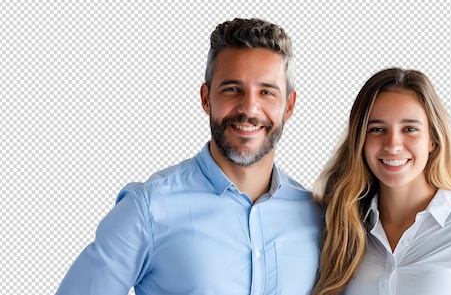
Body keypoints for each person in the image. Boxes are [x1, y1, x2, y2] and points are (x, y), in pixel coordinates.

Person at [56, 18, 324, 295]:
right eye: (232, 89)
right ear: (206, 98)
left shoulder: (318, 217)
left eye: (266, 92)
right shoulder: (149, 209)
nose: (249, 108)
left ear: (289, 106)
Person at [312, 68, 451, 295]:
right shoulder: (341, 230)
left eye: (410, 129)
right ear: (360, 140)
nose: (392, 145)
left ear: (432, 140)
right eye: (377, 129)